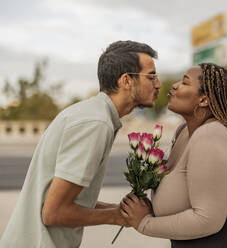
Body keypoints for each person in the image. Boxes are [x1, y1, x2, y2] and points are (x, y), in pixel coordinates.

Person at [0, 40, 160, 248]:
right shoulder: (95, 123)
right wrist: (115, 217)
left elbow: (69, 201)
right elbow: (53, 213)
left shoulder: (91, 114)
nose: (157, 84)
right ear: (126, 81)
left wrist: (119, 209)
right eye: (151, 76)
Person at [120, 63, 227, 248]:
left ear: (204, 100)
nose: (174, 85)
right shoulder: (183, 132)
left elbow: (207, 220)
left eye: (185, 83)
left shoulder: (210, 136)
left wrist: (145, 223)